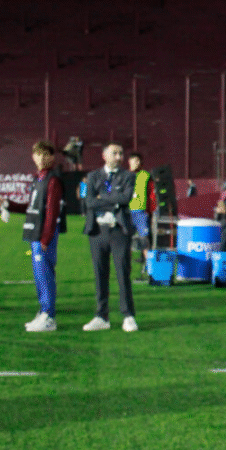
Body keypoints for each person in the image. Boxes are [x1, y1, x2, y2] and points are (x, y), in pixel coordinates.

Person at [0, 141, 66, 332]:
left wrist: (46, 238)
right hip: (35, 232)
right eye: (38, 154)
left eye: (45, 154)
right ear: (33, 157)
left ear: (52, 157)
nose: (41, 158)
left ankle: (49, 316)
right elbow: (31, 207)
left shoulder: (52, 180)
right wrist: (8, 204)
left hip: (43, 235)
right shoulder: (38, 179)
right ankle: (43, 312)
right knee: (39, 275)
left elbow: (52, 212)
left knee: (45, 274)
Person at [82, 142, 139, 333]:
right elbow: (89, 202)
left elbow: (125, 199)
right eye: (115, 153)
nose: (119, 156)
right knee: (100, 273)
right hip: (97, 231)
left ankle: (128, 315)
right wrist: (113, 200)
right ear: (104, 155)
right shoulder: (93, 176)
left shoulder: (128, 176)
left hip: (118, 231)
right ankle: (101, 316)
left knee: (123, 273)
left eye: (121, 153)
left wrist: (102, 198)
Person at [127, 152, 157, 269]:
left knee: (145, 241)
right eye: (134, 160)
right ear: (129, 162)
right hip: (127, 212)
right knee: (126, 242)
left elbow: (152, 195)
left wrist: (151, 212)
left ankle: (150, 269)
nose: (137, 163)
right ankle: (126, 269)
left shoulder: (146, 175)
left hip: (141, 213)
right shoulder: (124, 175)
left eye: (138, 161)